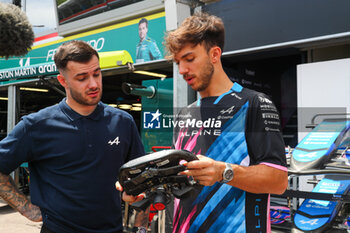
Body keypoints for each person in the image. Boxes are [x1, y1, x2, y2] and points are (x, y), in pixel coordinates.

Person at [121, 13, 288, 233]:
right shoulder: (184, 114)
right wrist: (143, 189)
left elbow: (278, 180)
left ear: (214, 54)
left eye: (189, 59)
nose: (181, 70)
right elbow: (178, 183)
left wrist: (224, 172)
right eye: (178, 62)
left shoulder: (255, 103)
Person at [0, 40, 147, 233]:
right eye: (82, 78)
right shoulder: (36, 126)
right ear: (63, 81)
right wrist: (26, 208)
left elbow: (142, 178)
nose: (93, 84)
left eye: (96, 73)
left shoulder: (123, 122)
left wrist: (141, 227)